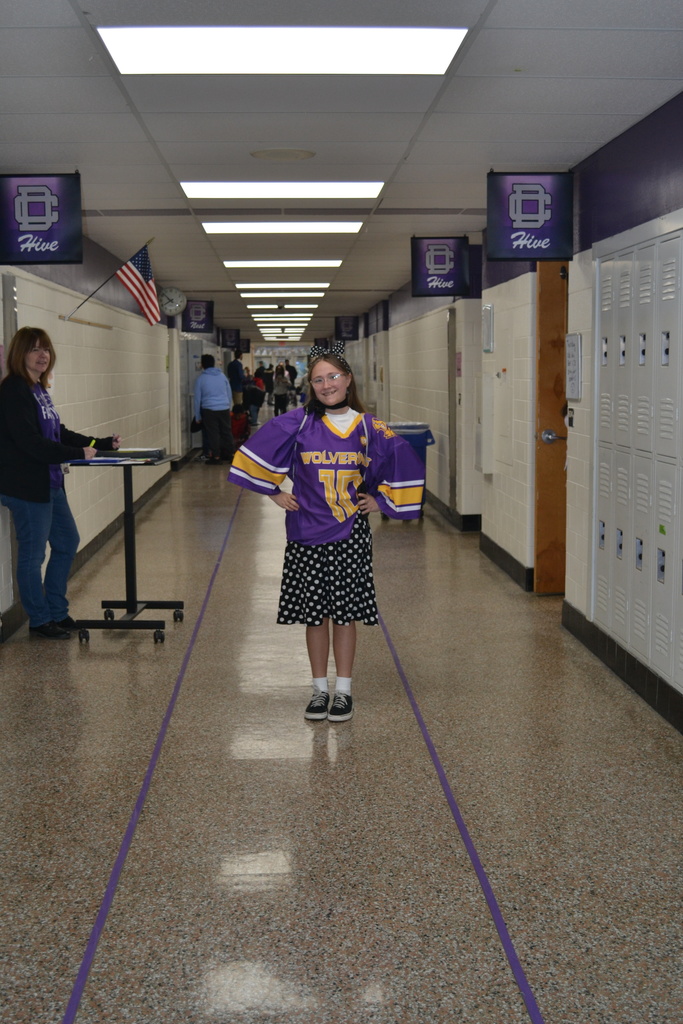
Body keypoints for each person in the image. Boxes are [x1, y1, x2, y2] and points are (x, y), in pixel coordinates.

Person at [228, 342, 425, 722]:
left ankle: (344, 690)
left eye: (333, 376)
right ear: (310, 385)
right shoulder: (299, 422)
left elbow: (405, 460)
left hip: (350, 534)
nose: (326, 384)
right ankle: (319, 689)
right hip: (305, 534)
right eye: (318, 379)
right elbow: (252, 454)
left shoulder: (369, 427)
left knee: (345, 615)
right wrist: (274, 493)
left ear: (348, 380)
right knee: (315, 616)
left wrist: (381, 501)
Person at [0, 327, 121, 639]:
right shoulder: (14, 389)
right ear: (20, 354)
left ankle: (57, 611)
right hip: (26, 487)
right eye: (35, 350)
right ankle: (40, 620)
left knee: (67, 543)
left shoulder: (38, 388)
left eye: (47, 350)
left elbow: (58, 432)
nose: (43, 356)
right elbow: (30, 443)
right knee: (32, 555)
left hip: (50, 482)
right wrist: (77, 453)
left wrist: (101, 443)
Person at [194, 354, 234, 465]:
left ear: (202, 365)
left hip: (209, 409)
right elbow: (229, 393)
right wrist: (228, 407)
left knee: (213, 434)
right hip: (224, 408)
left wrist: (198, 416)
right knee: (227, 432)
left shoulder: (201, 379)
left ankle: (216, 457)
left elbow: (197, 399)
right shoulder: (222, 376)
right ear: (213, 363)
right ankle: (232, 455)